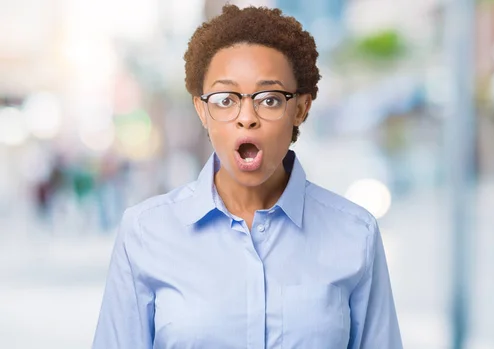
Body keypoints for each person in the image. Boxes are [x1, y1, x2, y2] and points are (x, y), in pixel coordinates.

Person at [93, 5, 402, 349]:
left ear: (300, 108)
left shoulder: (355, 233)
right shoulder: (144, 232)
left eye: (269, 100)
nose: (247, 118)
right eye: (225, 99)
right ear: (202, 110)